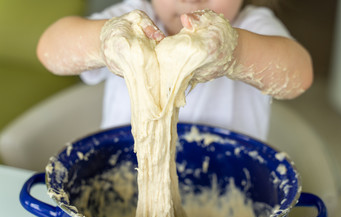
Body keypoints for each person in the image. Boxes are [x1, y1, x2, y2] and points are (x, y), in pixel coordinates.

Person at [36, 0, 313, 141]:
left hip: (230, 187)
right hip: (125, 179)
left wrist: (235, 52)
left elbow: (299, 77)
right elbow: (50, 49)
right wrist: (106, 40)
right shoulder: (133, 17)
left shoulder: (254, 27)